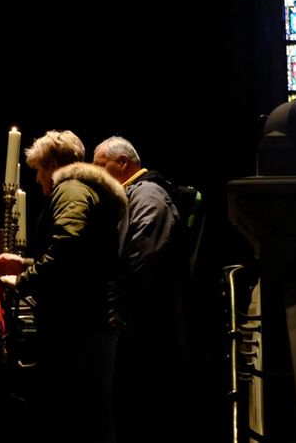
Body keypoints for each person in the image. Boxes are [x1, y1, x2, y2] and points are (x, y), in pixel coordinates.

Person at [0, 131, 128, 443]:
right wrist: (25, 263)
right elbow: (85, 257)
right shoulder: (84, 189)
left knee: (78, 417)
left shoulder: (69, 188)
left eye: (39, 170)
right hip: (91, 321)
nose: (39, 180)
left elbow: (69, 248)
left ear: (52, 165)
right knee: (90, 415)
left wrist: (22, 280)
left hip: (81, 325)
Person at [92, 136, 188, 443]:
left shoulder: (149, 196)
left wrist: (113, 309)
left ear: (123, 163)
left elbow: (143, 262)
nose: (95, 173)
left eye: (100, 165)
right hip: (137, 326)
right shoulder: (131, 195)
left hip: (148, 331)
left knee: (141, 419)